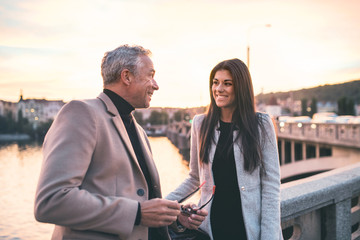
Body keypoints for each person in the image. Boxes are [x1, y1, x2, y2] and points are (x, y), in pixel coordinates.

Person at [34, 44, 206, 240]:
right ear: (126, 77)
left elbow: (141, 200)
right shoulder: (82, 113)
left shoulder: (139, 131)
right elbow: (51, 201)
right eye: (150, 75)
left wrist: (173, 217)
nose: (156, 85)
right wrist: (137, 213)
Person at [167, 58, 283, 239]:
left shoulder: (261, 124)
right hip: (211, 228)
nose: (219, 89)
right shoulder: (200, 123)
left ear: (241, 88)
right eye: (215, 83)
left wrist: (269, 236)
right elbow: (195, 178)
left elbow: (271, 185)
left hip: (247, 229)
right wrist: (162, 204)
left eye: (227, 84)